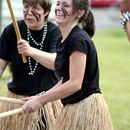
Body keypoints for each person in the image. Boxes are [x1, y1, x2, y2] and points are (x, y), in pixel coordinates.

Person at [21, 0, 114, 130]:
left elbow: (75, 83)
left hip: (84, 109)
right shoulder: (63, 39)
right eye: (58, 4)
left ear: (79, 12)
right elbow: (66, 79)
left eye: (65, 5)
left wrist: (41, 100)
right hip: (73, 107)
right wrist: (41, 97)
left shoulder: (78, 40)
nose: (59, 8)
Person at [0, 0, 62, 130]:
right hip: (17, 100)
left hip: (45, 103)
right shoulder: (12, 30)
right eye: (26, 8)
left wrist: (30, 51)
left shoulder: (55, 32)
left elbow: (56, 63)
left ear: (45, 12)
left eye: (35, 9)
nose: (29, 13)